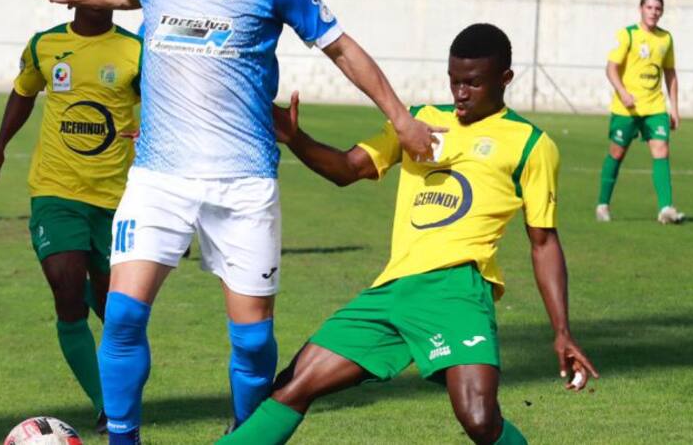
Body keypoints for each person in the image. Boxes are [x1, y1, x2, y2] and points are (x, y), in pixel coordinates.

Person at [35, 0, 438, 444]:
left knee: (250, 342)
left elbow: (341, 47)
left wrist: (401, 118)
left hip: (243, 184)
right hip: (159, 179)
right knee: (122, 318)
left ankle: (246, 436)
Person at [220, 23, 598, 445]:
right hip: (393, 290)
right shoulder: (418, 120)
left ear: (504, 79)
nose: (460, 93)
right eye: (454, 81)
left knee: (479, 418)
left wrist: (562, 330)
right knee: (295, 384)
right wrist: (296, 139)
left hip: (456, 290)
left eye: (473, 83)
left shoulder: (531, 144)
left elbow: (543, 242)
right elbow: (348, 169)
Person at [0, 0, 141, 433]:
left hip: (116, 200)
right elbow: (23, 91)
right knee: (67, 294)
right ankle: (107, 405)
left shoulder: (135, 52)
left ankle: (100, 301)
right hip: (56, 193)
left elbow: (157, 110)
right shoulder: (45, 45)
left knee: (118, 318)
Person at [596, 0, 684, 225]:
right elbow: (611, 68)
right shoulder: (628, 35)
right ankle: (603, 204)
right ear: (641, 9)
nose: (654, 12)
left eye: (658, 8)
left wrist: (674, 108)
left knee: (662, 150)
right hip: (627, 109)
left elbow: (670, 73)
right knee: (617, 153)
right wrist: (622, 92)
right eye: (649, 7)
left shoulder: (665, 39)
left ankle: (666, 208)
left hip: (655, 107)